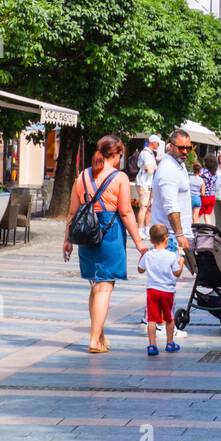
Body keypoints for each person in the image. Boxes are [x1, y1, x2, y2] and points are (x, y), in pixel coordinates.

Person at [64, 134, 146, 354]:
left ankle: (99, 336)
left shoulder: (82, 176)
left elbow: (72, 212)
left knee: (95, 286)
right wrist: (139, 242)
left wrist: (67, 240)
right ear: (117, 153)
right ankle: (93, 340)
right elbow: (127, 212)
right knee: (104, 287)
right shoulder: (118, 178)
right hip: (109, 233)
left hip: (86, 234)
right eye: (121, 154)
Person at [137, 224, 184, 356]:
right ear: (166, 239)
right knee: (169, 317)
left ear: (151, 240)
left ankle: (152, 345)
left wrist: (143, 255)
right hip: (167, 291)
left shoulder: (148, 255)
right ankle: (170, 343)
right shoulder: (171, 256)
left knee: (151, 319)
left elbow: (140, 270)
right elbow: (176, 273)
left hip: (152, 290)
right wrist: (181, 262)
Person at [151, 129, 194, 260]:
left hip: (174, 235)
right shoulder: (168, 169)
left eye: (188, 148)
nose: (185, 151)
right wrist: (179, 234)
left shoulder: (178, 164)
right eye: (181, 148)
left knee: (170, 278)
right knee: (166, 278)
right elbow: (171, 206)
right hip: (169, 237)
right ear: (170, 146)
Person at [135, 135, 161, 240]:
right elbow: (150, 169)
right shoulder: (145, 153)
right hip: (144, 183)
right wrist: (150, 169)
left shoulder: (150, 153)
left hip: (149, 183)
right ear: (153, 142)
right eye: (158, 143)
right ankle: (139, 230)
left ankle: (146, 229)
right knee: (143, 207)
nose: (159, 145)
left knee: (148, 208)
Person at [199, 155, 218, 226]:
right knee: (207, 215)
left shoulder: (203, 172)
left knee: (197, 215)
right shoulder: (215, 173)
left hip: (204, 196)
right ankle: (209, 232)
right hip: (212, 197)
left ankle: (195, 231)